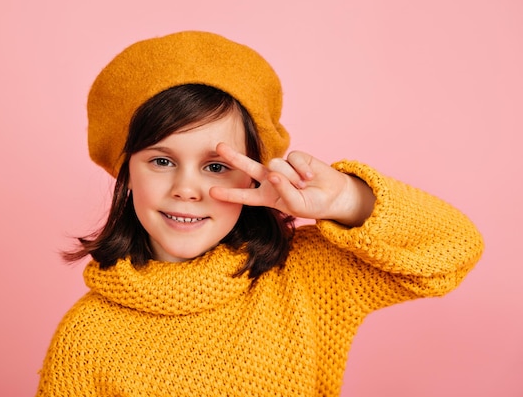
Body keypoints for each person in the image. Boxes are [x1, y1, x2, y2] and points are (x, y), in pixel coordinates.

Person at [35, 31, 484, 397]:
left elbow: (452, 251)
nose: (187, 189)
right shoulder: (87, 338)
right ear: (126, 171)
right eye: (162, 161)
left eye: (217, 166)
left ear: (254, 177)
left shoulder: (304, 278)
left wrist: (346, 199)